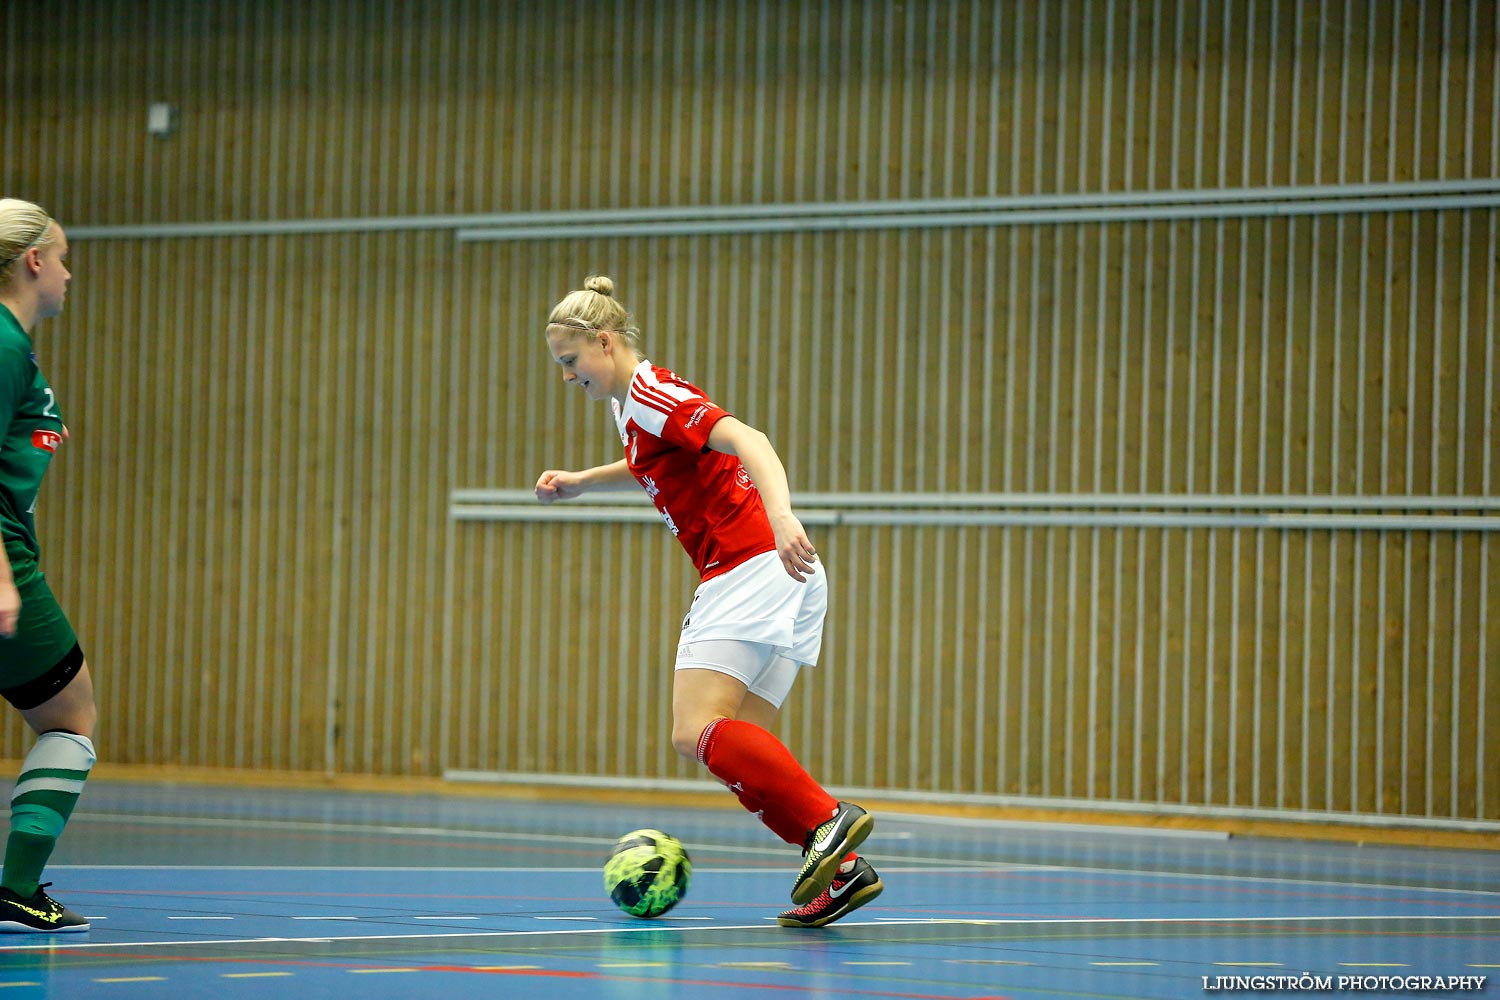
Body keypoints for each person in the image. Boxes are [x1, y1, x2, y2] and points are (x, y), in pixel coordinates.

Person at [535, 275, 882, 928]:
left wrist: (780, 516)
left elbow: (750, 440)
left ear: (603, 343)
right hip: (782, 576)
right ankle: (840, 872)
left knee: (692, 730)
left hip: (754, 561)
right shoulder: (626, 407)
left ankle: (831, 820)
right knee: (734, 743)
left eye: (569, 362)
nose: (566, 376)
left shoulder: (649, 391)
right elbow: (653, 462)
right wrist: (583, 481)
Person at [0, 198, 95, 933]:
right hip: (8, 563)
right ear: (34, 262)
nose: (67, 274)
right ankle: (18, 885)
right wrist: (2, 574)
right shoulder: (2, 344)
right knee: (70, 716)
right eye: (61, 258)